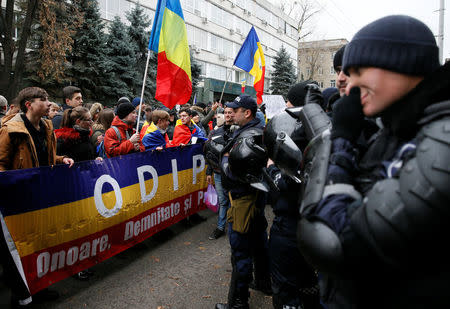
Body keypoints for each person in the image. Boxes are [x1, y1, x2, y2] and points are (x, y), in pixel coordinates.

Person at [298, 15, 450, 308]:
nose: (344, 80)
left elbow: (337, 240)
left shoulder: (442, 137)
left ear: (400, 63)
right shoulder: (398, 128)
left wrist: (340, 144)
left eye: (357, 70)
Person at [0, 87, 74, 307]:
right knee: (21, 248)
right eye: (43, 99)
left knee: (40, 243)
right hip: (17, 199)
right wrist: (12, 186)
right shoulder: (10, 129)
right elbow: (1, 164)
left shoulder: (47, 126)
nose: (48, 103)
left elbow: (45, 155)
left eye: (48, 99)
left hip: (41, 194)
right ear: (28, 104)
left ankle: (39, 287)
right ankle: (20, 295)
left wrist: (61, 160)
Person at [264, 82, 323, 309]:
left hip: (291, 225)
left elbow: (287, 184)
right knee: (309, 285)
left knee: (286, 288)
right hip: (315, 225)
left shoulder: (300, 135)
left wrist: (271, 168)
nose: (285, 106)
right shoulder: (331, 131)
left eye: (288, 102)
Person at [215, 95, 271, 309]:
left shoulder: (250, 135)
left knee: (240, 251)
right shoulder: (255, 130)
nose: (230, 113)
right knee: (258, 241)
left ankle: (238, 302)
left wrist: (225, 157)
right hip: (254, 198)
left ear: (246, 113)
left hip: (243, 199)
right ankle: (264, 282)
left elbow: (232, 174)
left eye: (235, 110)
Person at [205, 105, 236, 240]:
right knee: (223, 201)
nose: (228, 115)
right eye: (226, 112)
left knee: (233, 200)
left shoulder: (239, 132)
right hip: (218, 173)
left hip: (234, 174)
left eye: (231, 112)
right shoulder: (215, 132)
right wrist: (208, 172)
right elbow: (210, 154)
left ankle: (234, 226)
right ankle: (220, 227)